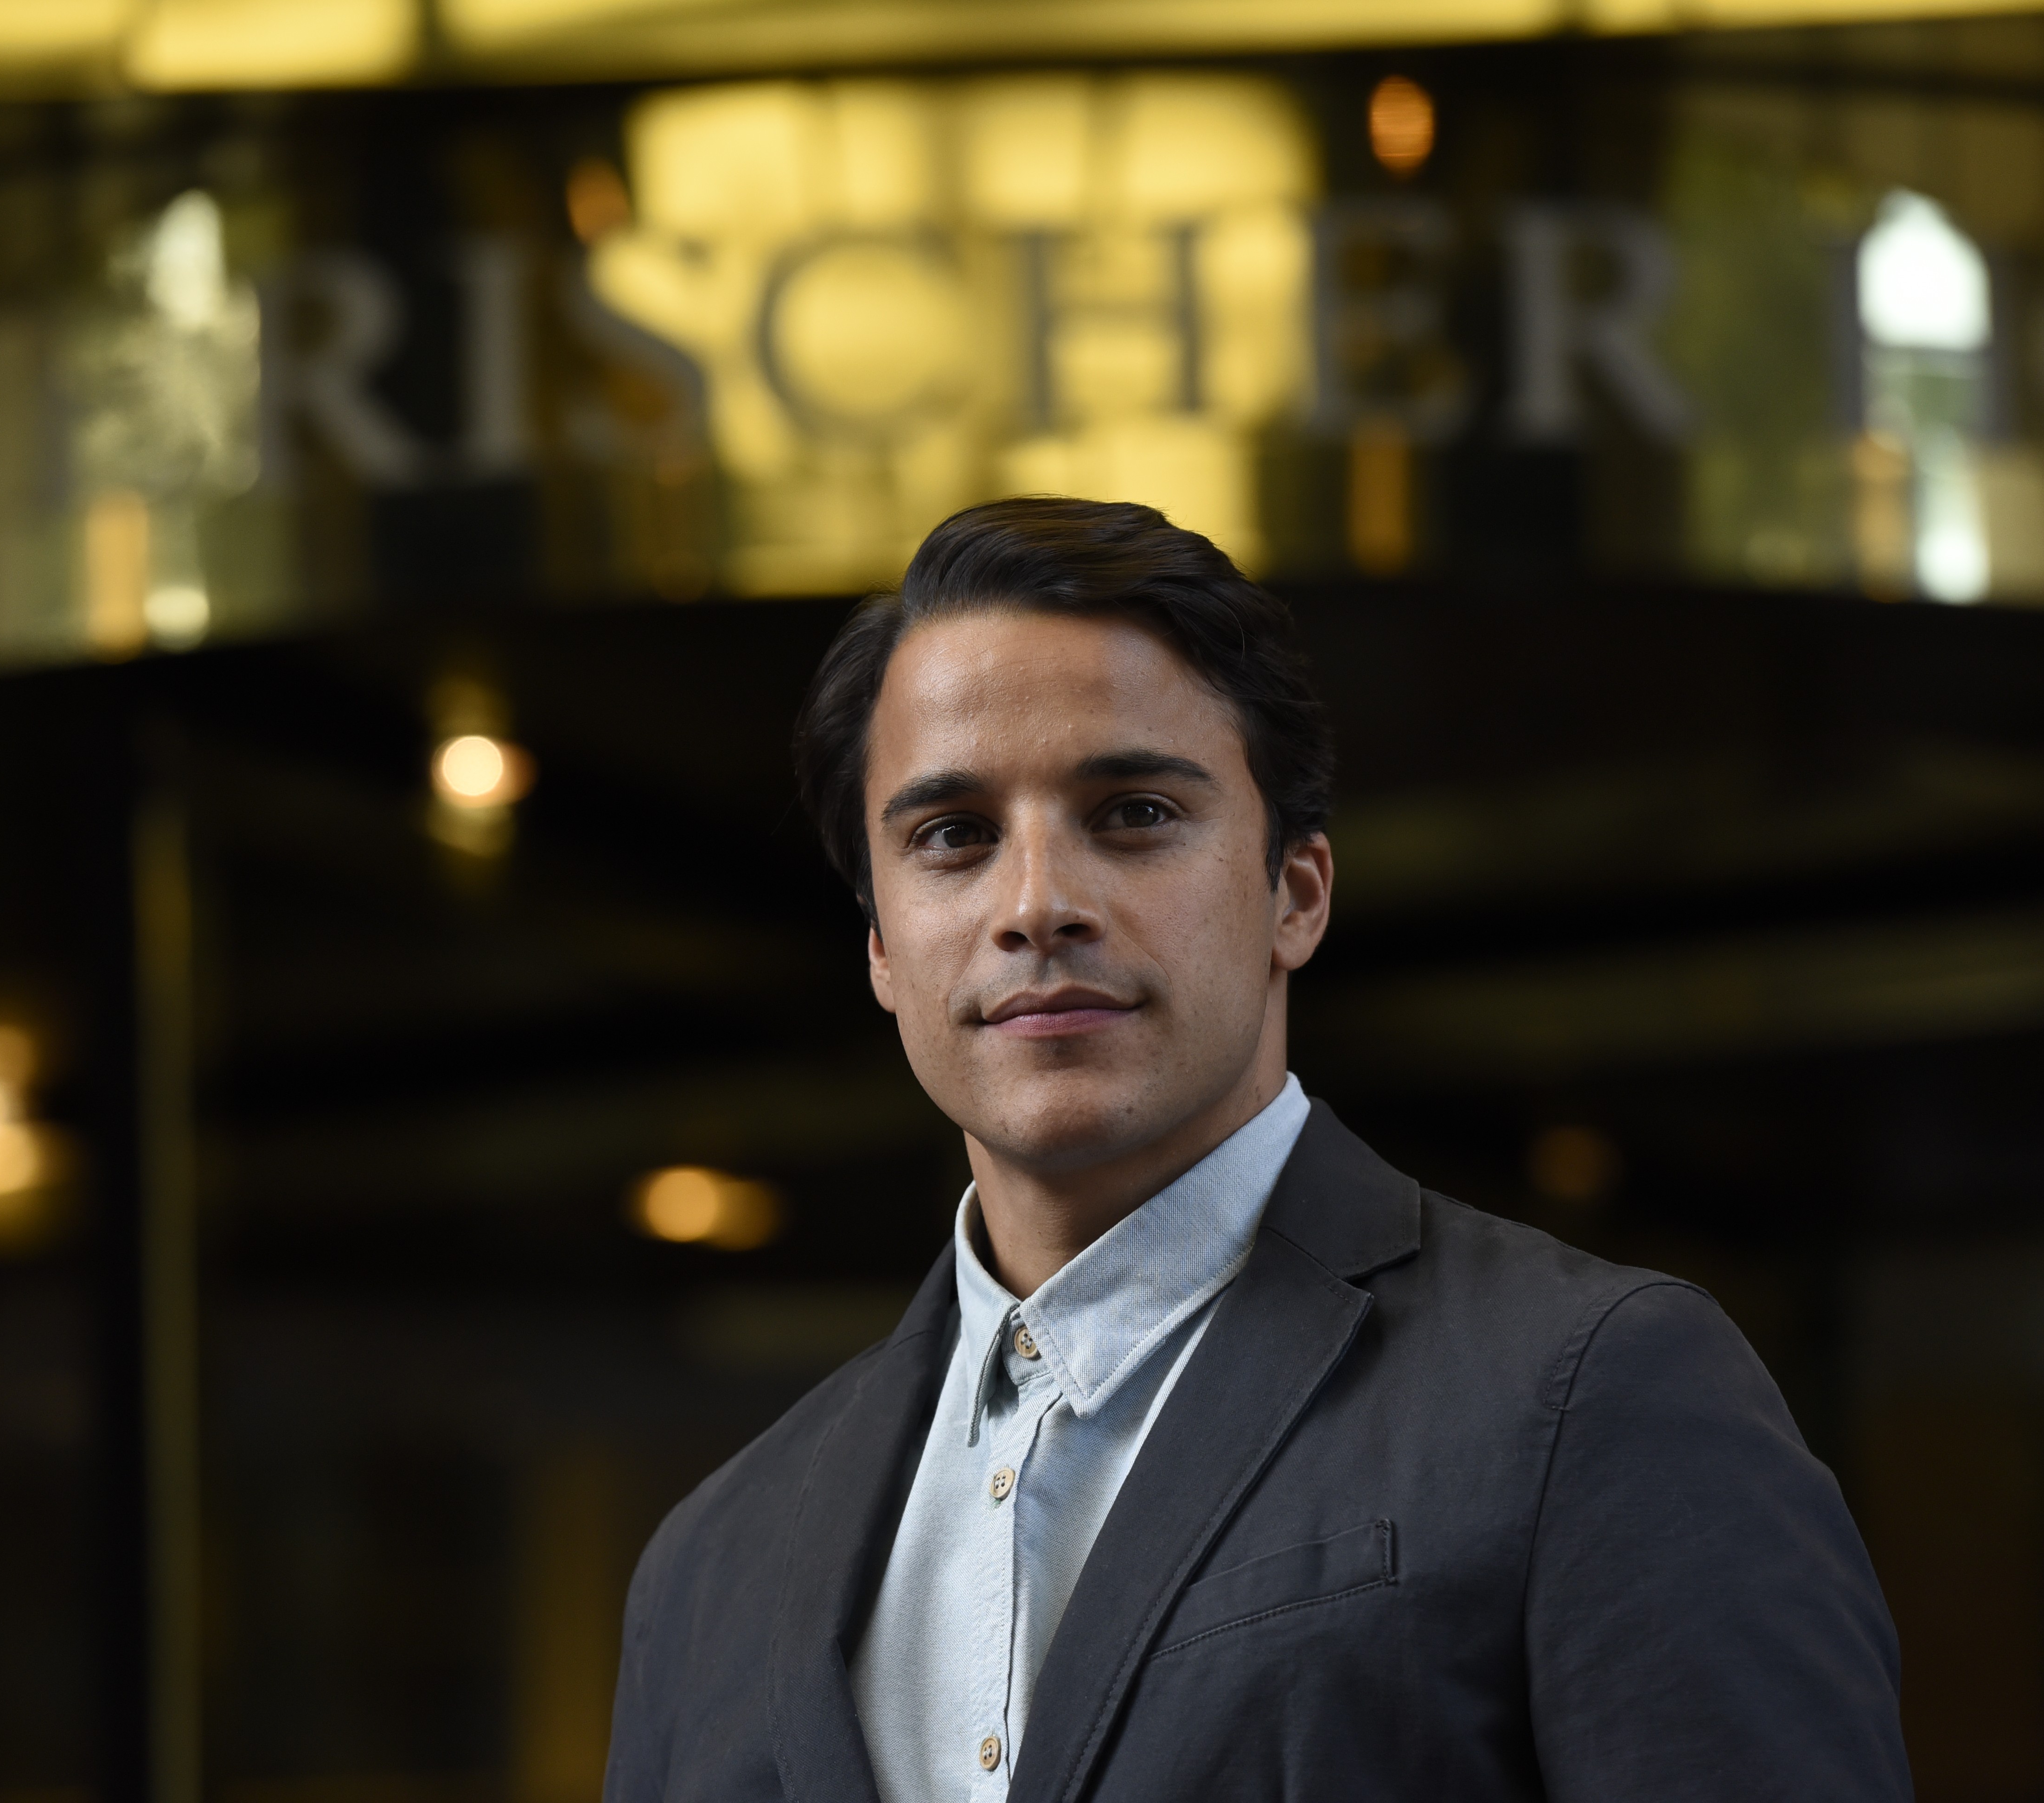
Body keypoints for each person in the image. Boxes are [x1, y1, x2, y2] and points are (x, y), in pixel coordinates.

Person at [603, 497, 1911, 1803]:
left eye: (1133, 813)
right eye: (954, 836)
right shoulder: (710, 1564)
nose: (1037, 904)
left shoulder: (1594, 1393)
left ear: (1296, 893)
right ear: (883, 948)